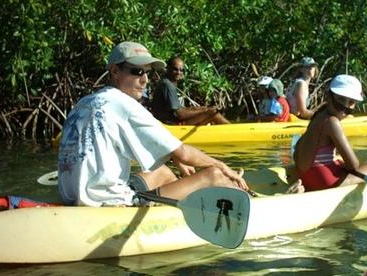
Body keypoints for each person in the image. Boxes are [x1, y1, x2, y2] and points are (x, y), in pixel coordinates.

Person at [58, 41, 248, 207]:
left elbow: (170, 151)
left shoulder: (83, 103)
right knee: (213, 174)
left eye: (147, 73)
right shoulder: (126, 105)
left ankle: (179, 208)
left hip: (73, 197)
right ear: (115, 71)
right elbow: (184, 152)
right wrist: (223, 166)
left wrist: (174, 158)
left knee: (161, 171)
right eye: (137, 71)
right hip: (110, 203)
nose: (145, 80)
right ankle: (237, 199)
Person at [288, 74, 367, 192]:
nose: (344, 107)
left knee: (340, 161)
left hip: (308, 178)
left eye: (351, 102)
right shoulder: (332, 123)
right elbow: (354, 166)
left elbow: (299, 152)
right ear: (329, 96)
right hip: (326, 182)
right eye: (341, 99)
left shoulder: (318, 116)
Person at [151, 55, 230, 125]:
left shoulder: (166, 82)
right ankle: (233, 130)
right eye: (175, 69)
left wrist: (202, 108)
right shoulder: (167, 85)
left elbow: (179, 109)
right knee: (213, 114)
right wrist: (206, 110)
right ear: (168, 69)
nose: (179, 72)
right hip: (172, 126)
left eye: (181, 70)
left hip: (169, 122)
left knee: (208, 111)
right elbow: (180, 114)